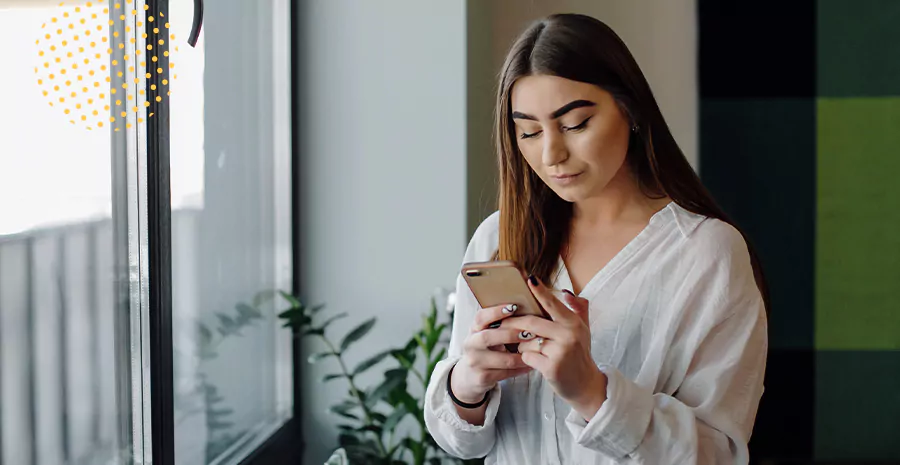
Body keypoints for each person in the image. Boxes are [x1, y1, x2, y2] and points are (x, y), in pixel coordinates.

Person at [423, 13, 768, 465]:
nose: (551, 154)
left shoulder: (707, 254)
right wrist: (467, 384)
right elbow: (462, 443)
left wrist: (592, 392)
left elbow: (719, 455)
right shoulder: (499, 236)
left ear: (631, 110)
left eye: (576, 124)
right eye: (528, 131)